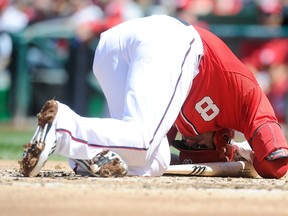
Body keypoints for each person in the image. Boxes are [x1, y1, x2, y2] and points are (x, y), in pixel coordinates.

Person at [19, 14, 288, 179]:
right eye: (197, 146)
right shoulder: (245, 97)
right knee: (144, 141)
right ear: (222, 136)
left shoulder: (184, 124)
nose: (189, 143)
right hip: (173, 41)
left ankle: (81, 156)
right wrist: (249, 153)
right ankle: (63, 125)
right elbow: (278, 164)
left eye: (188, 147)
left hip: (114, 48)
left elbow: (156, 159)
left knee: (152, 160)